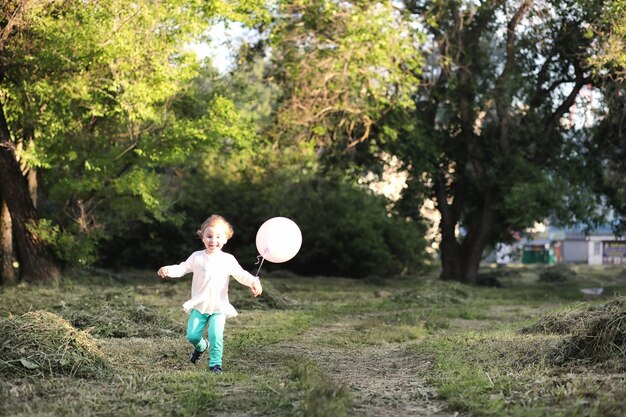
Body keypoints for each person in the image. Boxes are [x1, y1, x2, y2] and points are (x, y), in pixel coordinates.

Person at [157, 214, 262, 374]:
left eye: (218, 237)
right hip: (200, 305)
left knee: (216, 335)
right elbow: (182, 268)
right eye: (209, 236)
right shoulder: (197, 257)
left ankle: (215, 365)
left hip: (219, 306)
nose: (213, 240)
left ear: (226, 239)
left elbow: (241, 274)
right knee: (192, 336)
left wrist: (254, 281)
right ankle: (202, 346)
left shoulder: (228, 259)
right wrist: (168, 270)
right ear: (203, 237)